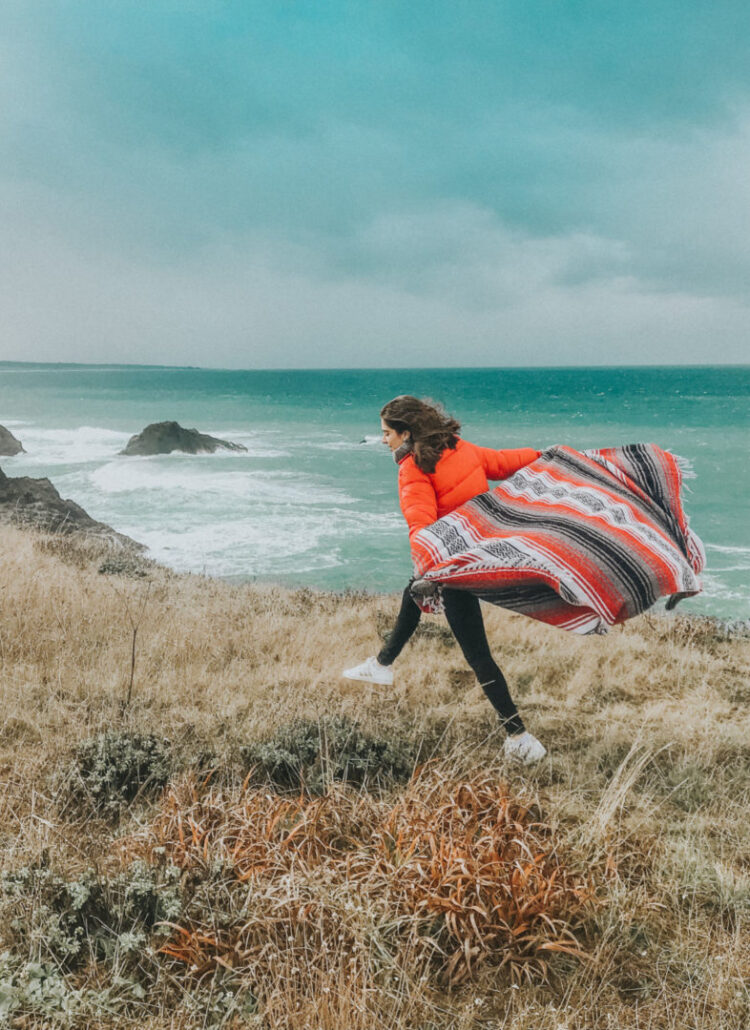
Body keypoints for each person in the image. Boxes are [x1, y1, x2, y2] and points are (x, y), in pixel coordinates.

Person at [342, 395, 547, 765]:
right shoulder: (460, 448)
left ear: (406, 432)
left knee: (478, 656)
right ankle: (382, 665)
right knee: (412, 593)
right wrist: (544, 455)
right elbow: (503, 462)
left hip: (454, 568)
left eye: (387, 433)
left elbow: (420, 522)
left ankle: (520, 736)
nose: (384, 440)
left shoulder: (413, 468)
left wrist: (429, 568)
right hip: (478, 552)